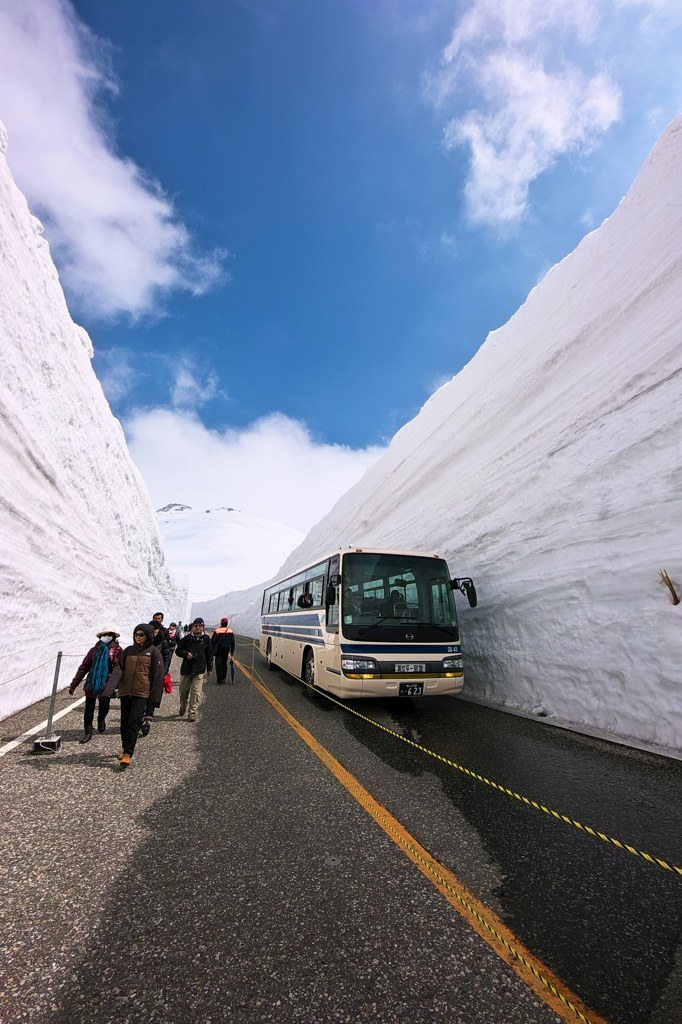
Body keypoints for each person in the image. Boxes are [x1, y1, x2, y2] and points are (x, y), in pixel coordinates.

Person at [114, 623, 164, 767]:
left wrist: (155, 698)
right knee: (124, 722)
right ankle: (125, 749)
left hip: (142, 692)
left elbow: (158, 675)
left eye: (141, 635)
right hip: (125, 691)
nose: (138, 637)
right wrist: (109, 689)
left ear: (147, 636)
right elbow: (118, 669)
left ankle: (128, 753)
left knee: (134, 721)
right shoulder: (129, 651)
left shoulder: (154, 652)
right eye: (136, 634)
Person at [68, 628, 122, 743]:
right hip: (92, 682)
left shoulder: (117, 651)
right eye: (104, 635)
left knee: (104, 704)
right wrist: (74, 684)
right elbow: (84, 667)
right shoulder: (94, 651)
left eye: (109, 635)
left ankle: (101, 718)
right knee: (89, 707)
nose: (106, 636)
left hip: (107, 683)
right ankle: (88, 731)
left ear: (113, 637)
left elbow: (120, 669)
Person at [174, 617, 213, 721]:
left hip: (199, 670)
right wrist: (186, 654)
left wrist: (209, 668)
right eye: (196, 626)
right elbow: (178, 651)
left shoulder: (206, 639)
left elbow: (209, 654)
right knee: (183, 692)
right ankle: (183, 706)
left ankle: (192, 713)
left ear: (203, 628)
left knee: (195, 693)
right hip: (186, 670)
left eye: (200, 626)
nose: (198, 628)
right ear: (192, 627)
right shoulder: (186, 639)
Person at [138, 621, 170, 737]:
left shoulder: (163, 642)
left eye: (156, 629)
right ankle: (140, 718)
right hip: (143, 673)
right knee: (141, 696)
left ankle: (147, 721)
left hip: (156, 673)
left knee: (151, 696)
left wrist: (164, 671)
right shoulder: (142, 641)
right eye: (152, 629)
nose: (154, 631)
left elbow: (167, 657)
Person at [212, 617, 235, 684]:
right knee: (224, 663)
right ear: (227, 623)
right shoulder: (230, 631)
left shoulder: (217, 631)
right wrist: (232, 652)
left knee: (218, 664)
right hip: (226, 650)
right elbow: (232, 643)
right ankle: (223, 678)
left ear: (221, 623)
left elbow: (212, 641)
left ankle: (219, 679)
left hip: (219, 650)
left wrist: (212, 650)